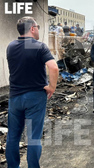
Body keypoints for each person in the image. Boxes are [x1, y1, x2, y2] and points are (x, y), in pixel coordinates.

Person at [6, 16, 59, 168]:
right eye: (38, 27)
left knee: (13, 137)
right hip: (35, 97)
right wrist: (52, 87)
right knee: (33, 137)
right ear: (32, 28)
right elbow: (54, 67)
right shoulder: (39, 46)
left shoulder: (11, 46)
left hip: (15, 97)